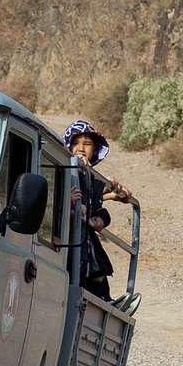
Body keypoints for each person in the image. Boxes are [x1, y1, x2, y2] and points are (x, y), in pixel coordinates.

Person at [63, 119, 136, 298]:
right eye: (75, 143)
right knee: (76, 275)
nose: (81, 148)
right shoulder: (63, 172)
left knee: (97, 274)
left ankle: (106, 300)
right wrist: (70, 202)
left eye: (87, 144)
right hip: (66, 239)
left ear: (95, 149)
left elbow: (99, 206)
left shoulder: (91, 177)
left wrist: (101, 215)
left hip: (85, 245)